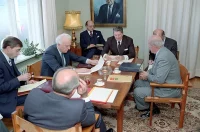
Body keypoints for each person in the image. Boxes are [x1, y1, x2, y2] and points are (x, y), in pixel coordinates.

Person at [24, 68, 112, 132]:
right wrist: (84, 96)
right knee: (98, 115)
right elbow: (91, 119)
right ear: (74, 90)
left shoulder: (33, 94)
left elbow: (26, 116)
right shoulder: (78, 107)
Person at [133, 35, 182, 118]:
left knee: (137, 92)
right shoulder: (162, 51)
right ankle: (146, 104)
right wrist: (147, 73)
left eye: (149, 45)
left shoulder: (163, 57)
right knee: (138, 83)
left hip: (169, 88)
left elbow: (159, 80)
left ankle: (150, 109)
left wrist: (148, 75)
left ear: (154, 46)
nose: (148, 47)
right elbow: (155, 68)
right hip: (165, 83)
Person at [0, 36, 35, 118]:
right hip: (5, 100)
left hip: (13, 92)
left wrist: (26, 82)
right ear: (8, 48)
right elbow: (1, 87)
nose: (19, 53)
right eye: (17, 50)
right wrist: (19, 79)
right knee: (34, 100)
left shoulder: (10, 58)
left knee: (36, 94)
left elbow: (15, 77)